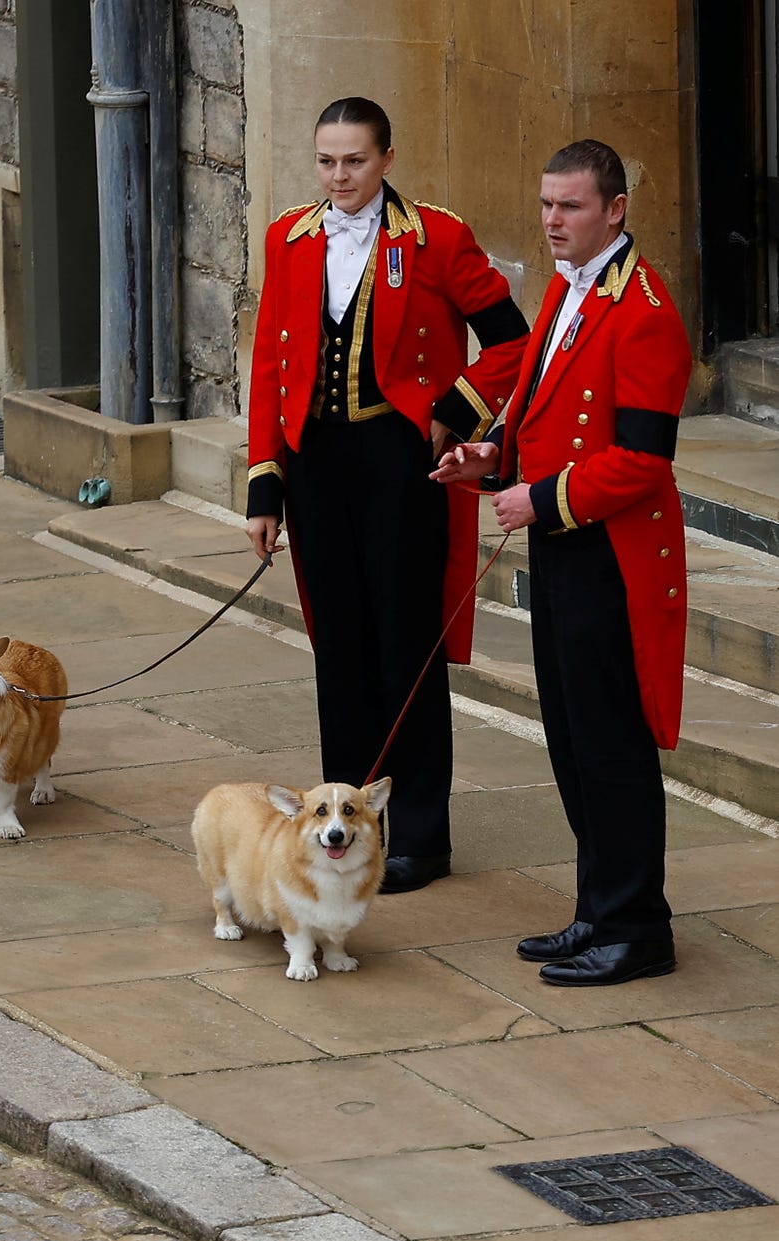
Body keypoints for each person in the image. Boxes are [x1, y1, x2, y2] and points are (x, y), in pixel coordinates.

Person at [245, 96, 529, 893]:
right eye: (328, 161)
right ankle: (346, 829)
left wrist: (454, 413)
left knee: (407, 650)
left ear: (387, 160)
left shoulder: (436, 237)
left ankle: (424, 838)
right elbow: (270, 365)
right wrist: (264, 486)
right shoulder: (288, 238)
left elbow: (512, 338)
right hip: (317, 468)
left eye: (356, 161)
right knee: (338, 648)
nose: (340, 177)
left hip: (401, 466)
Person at [434, 139, 692, 983]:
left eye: (570, 206)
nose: (552, 221)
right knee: (572, 738)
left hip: (612, 557)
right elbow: (539, 414)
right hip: (565, 549)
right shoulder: (566, 290)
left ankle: (637, 928)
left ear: (615, 210)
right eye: (546, 205)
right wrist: (490, 460)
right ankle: (597, 910)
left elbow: (644, 460)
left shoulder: (645, 309)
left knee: (611, 742)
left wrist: (540, 499)